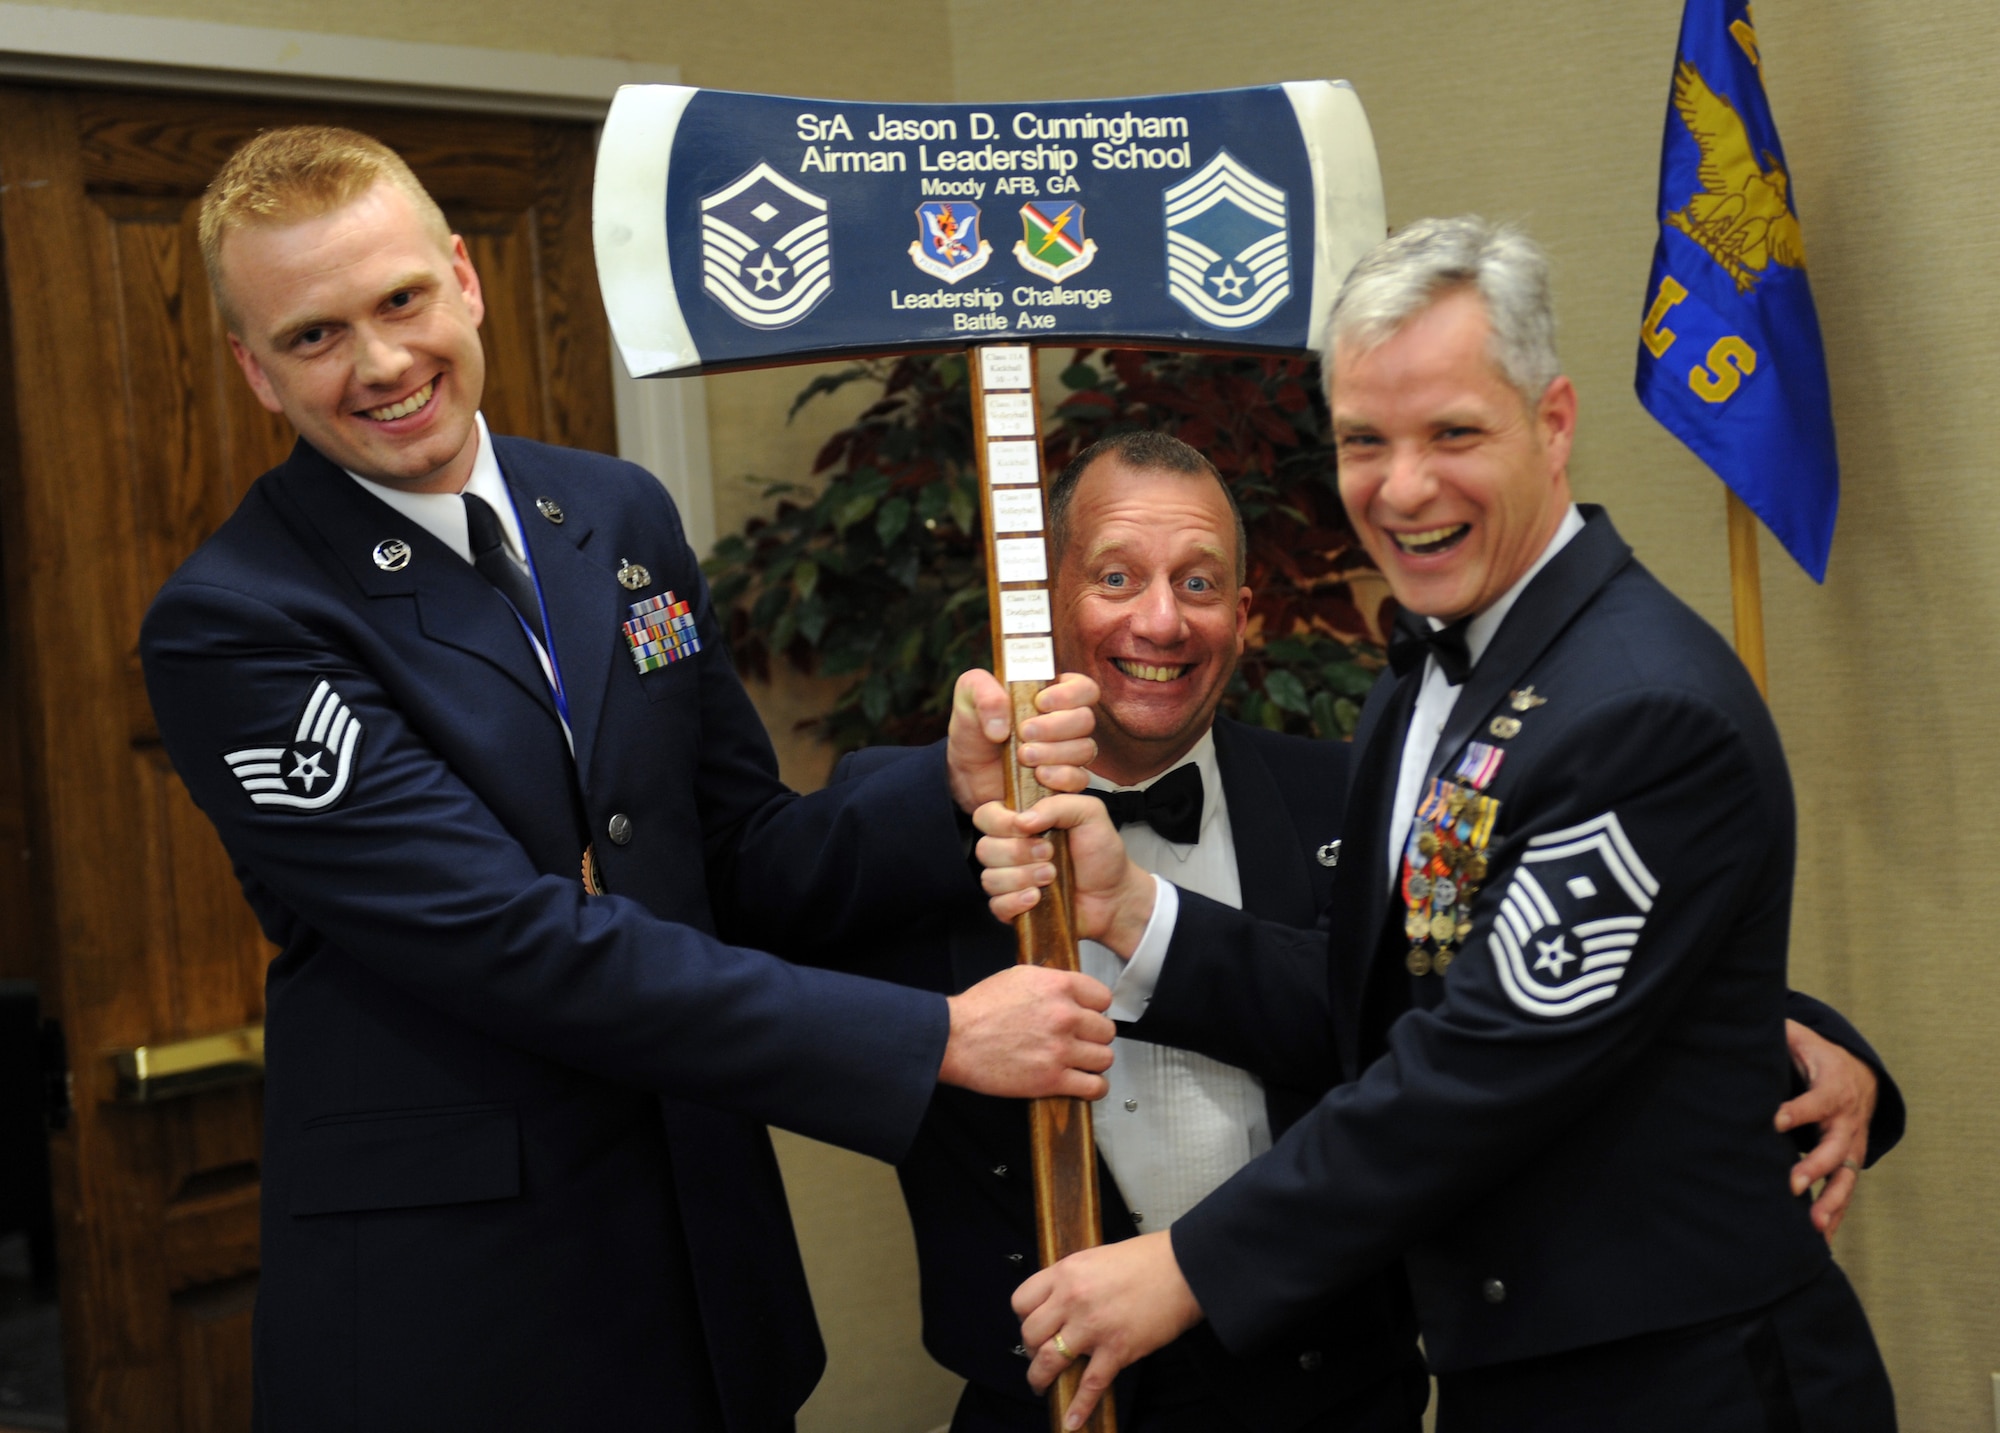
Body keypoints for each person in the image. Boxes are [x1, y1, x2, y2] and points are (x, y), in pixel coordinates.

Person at [138, 126, 1116, 1433]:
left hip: (707, 1281)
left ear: (464, 279)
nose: (380, 364)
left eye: (401, 301)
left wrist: (937, 790)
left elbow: (728, 853)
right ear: (256, 371)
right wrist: (933, 1040)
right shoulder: (239, 621)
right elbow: (512, 940)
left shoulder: (614, 515)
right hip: (468, 1322)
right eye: (314, 336)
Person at [977, 218, 1899, 1432]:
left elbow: (1473, 1069)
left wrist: (1185, 1265)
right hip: (1509, 1369)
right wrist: (1131, 911)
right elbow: (1389, 1000)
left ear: (1552, 421)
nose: (1400, 486)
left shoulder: (1642, 710)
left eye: (1451, 432)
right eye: (1364, 440)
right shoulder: (1425, 676)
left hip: (1678, 1379)